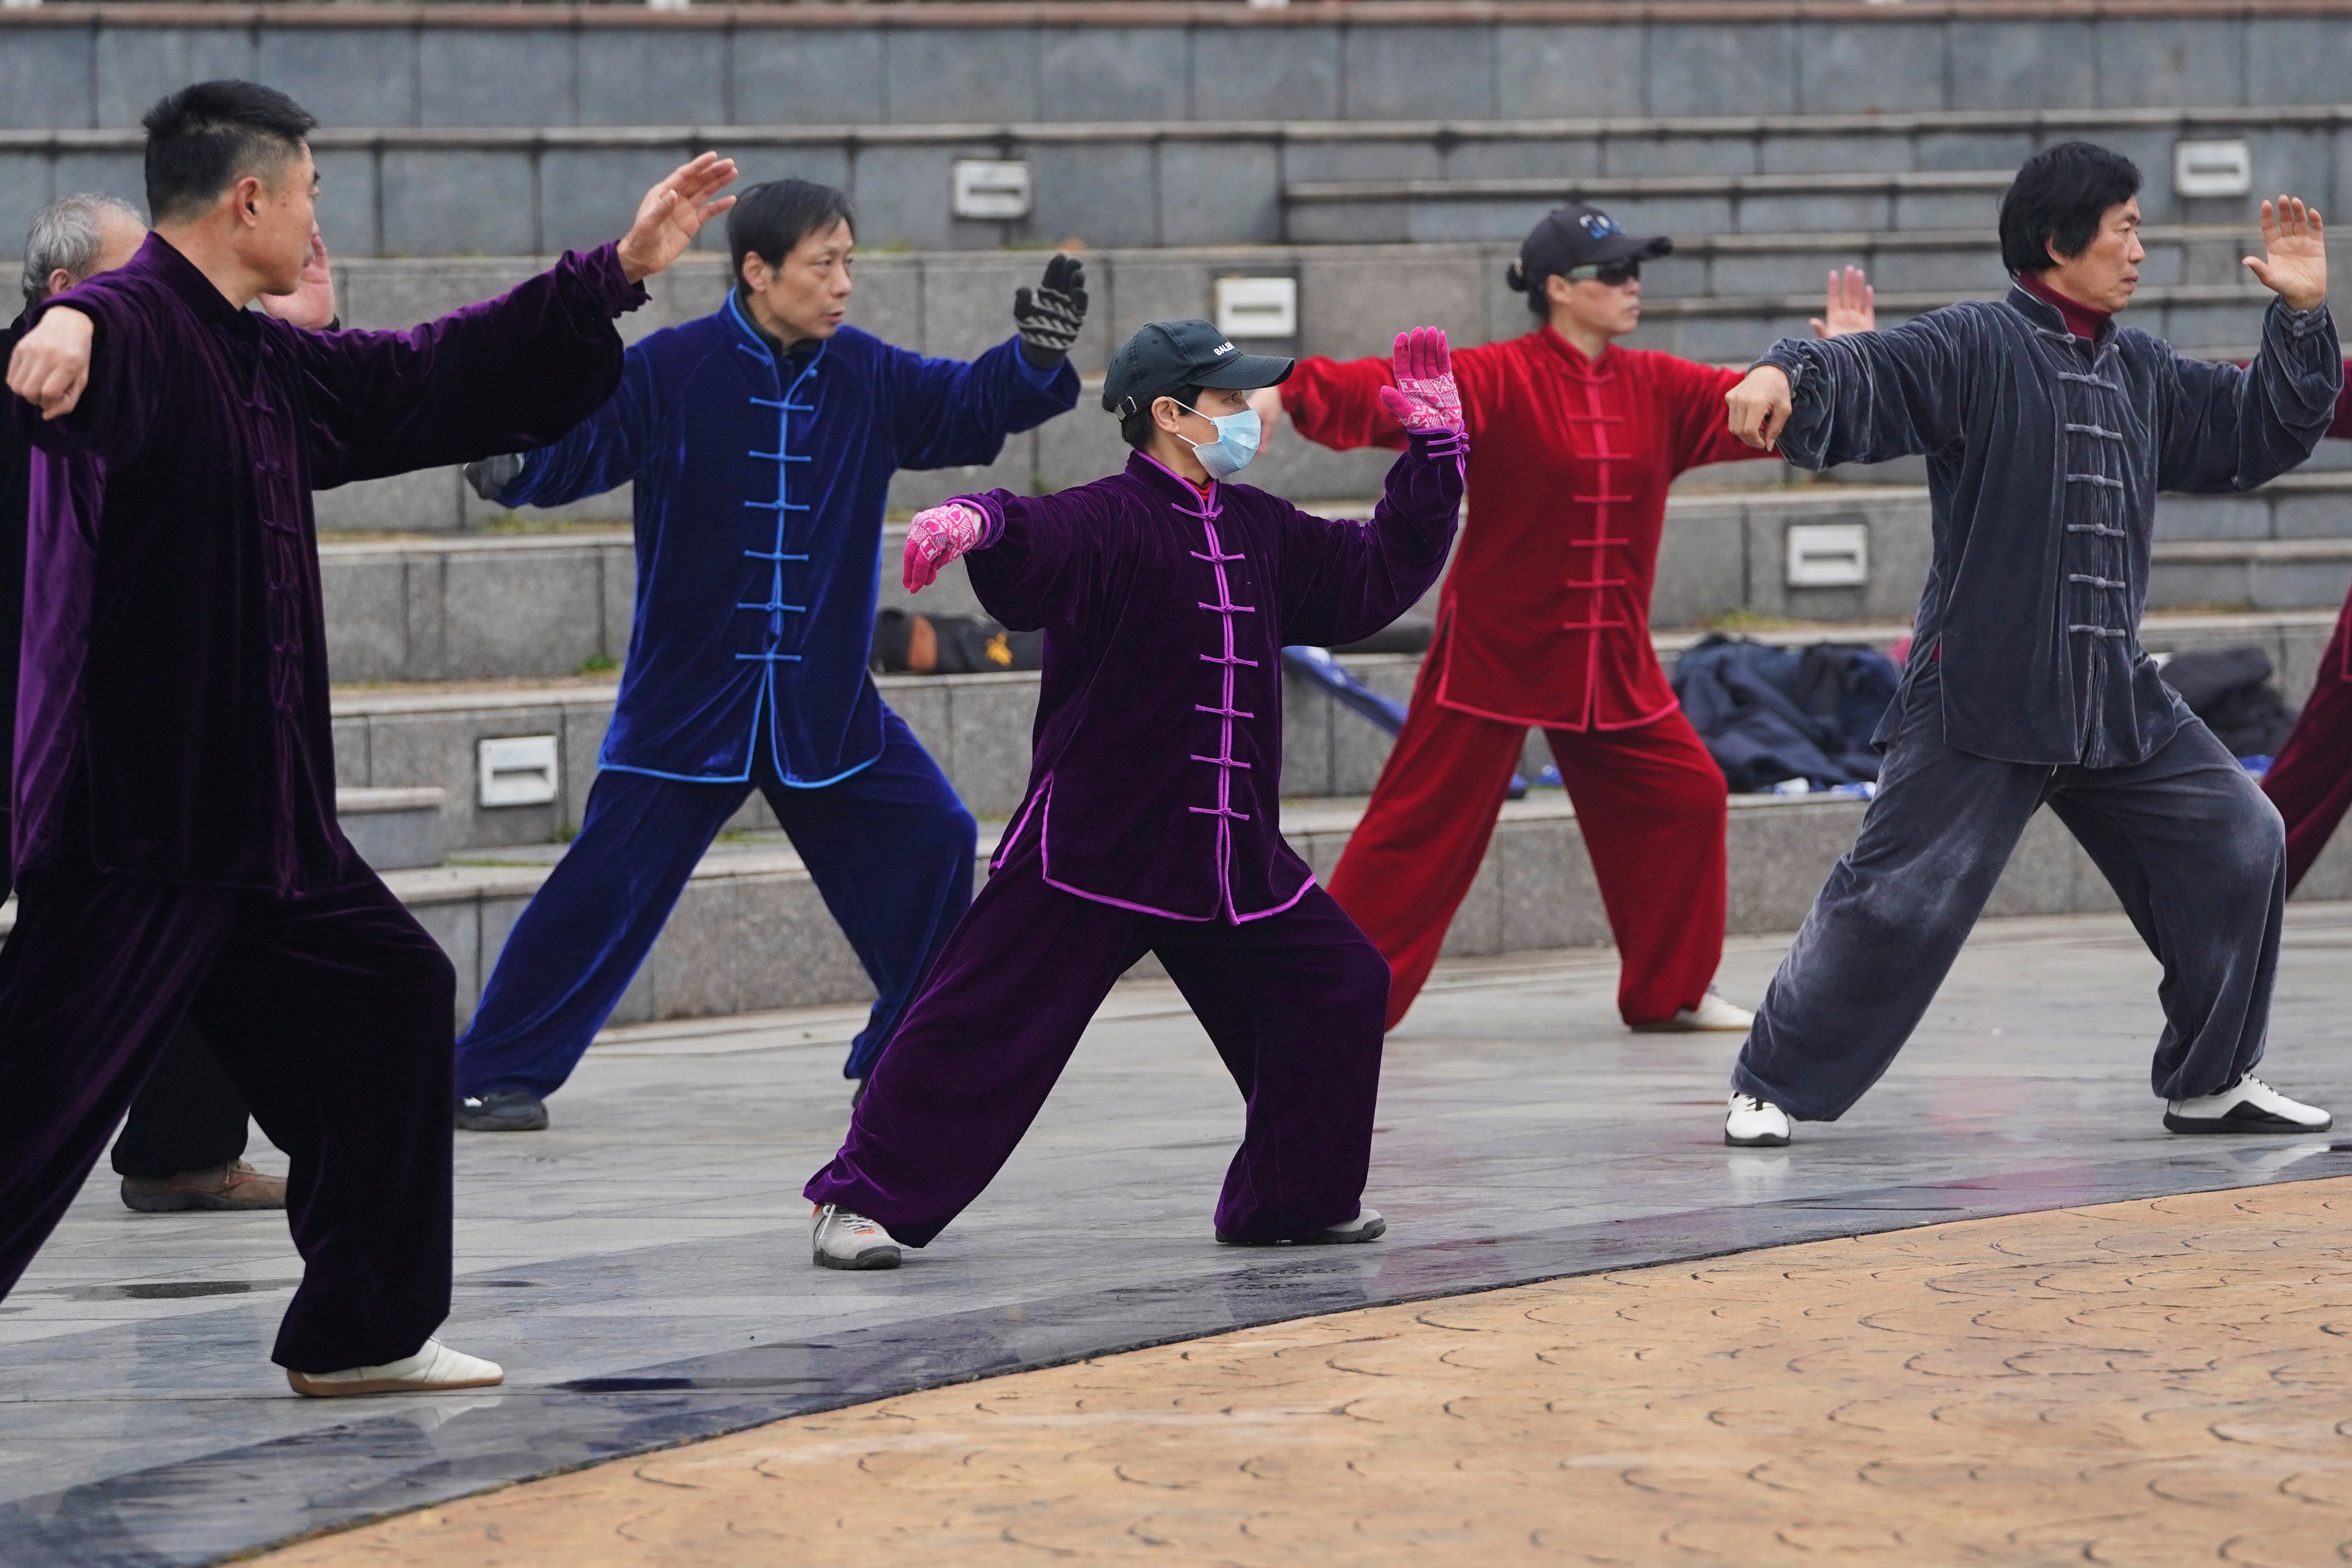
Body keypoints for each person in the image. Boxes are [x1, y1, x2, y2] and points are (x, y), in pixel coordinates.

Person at [0, 79, 734, 1395]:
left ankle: (361, 1330)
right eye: (311, 195)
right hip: (141, 832)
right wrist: (63, 324)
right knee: (27, 1102)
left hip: (267, 828)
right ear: (250, 199)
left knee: (392, 996)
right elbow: (91, 332)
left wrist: (612, 275)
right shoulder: (138, 325)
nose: (316, 219)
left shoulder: (258, 355)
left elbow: (430, 374)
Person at [800, 320, 1465, 1270]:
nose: (1247, 418)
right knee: (983, 1021)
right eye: (1230, 401)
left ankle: (1290, 1201)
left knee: (1337, 983)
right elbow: (1038, 537)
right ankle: (857, 1203)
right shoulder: (1112, 515)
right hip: (1094, 847)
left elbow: (1367, 580)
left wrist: (1433, 457)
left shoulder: (1259, 527)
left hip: (1231, 857)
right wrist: (979, 519)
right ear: (1168, 413)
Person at [1716, 142, 2340, 1149]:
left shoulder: (2138, 367)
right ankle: (1770, 1083)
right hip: (1981, 690)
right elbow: (1861, 366)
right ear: (2058, 242)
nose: (2139, 247)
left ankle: (2212, 1079)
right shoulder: (1976, 344)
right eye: (2123, 227)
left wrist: (2301, 318)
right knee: (1899, 898)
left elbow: (2254, 432)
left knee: (2240, 838)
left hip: (2111, 693)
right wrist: (1784, 368)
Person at [450, 178, 1083, 1132]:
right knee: (601, 886)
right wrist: (512, 461)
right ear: (758, 270)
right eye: (823, 265)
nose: (842, 285)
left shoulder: (867, 374)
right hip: (685, 703)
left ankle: (906, 1049)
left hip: (825, 708)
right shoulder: (674, 369)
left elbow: (963, 406)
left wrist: (1031, 359)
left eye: (850, 265)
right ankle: (491, 1070)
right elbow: (581, 448)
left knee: (935, 839)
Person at [1255, 205, 1876, 1036]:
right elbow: (1376, 390)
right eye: (1611, 273)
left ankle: (1670, 994)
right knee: (1415, 830)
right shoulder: (1494, 376)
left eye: (1634, 271)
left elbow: (1757, 410)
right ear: (1556, 290)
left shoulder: (1656, 384)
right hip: (1493, 656)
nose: (1631, 287)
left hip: (1610, 666)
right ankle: (1335, 996)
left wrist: (1839, 361)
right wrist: (1280, 386)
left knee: (1687, 796)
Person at [4, 195, 328, 1215]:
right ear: (67, 298)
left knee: (209, 921)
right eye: (128, 279)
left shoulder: (136, 369)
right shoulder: (59, 389)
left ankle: (186, 1151)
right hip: (64, 743)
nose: (157, 295)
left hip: (141, 744)